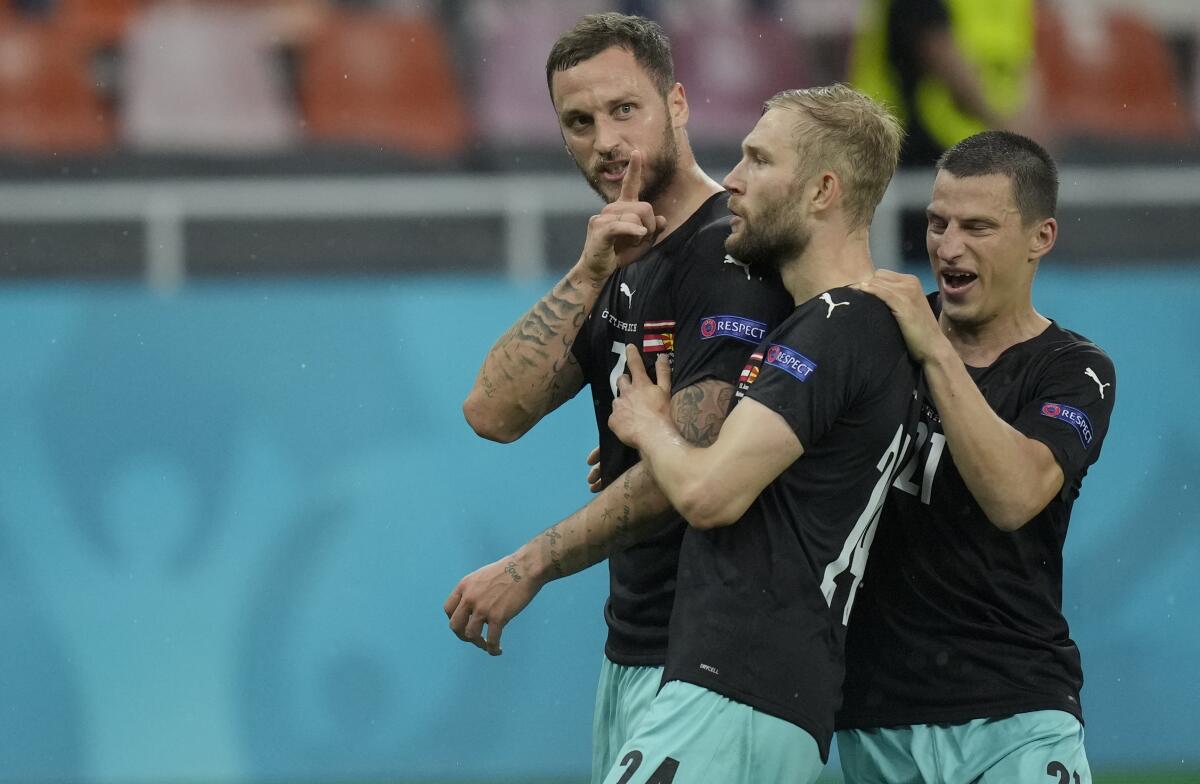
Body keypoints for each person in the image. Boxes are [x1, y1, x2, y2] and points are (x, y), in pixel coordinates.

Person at [446, 13, 793, 781]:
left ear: (677, 103)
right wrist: (587, 271)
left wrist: (530, 564)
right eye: (579, 121)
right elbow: (491, 413)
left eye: (623, 110)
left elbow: (696, 464)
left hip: (725, 655)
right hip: (638, 646)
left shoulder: (731, 254)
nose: (604, 140)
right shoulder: (618, 261)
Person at [598, 84, 920, 783]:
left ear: (823, 190)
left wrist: (650, 429)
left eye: (758, 160)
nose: (733, 180)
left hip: (740, 688)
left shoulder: (840, 326)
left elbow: (712, 494)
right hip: (753, 690)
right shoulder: (840, 325)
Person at [836, 130, 1117, 784]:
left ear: (1040, 237)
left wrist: (932, 349)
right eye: (937, 223)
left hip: (1015, 707)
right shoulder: (875, 337)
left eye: (978, 226)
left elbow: (1013, 495)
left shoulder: (1074, 372)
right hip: (874, 713)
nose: (948, 247)